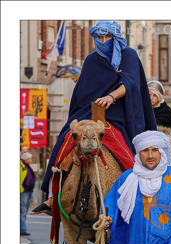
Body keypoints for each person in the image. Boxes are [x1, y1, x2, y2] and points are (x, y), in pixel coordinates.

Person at [31, 20, 156, 215]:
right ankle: (52, 196)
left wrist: (111, 96)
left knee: (127, 148)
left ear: (115, 37)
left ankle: (141, 192)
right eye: (100, 37)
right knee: (64, 139)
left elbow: (131, 83)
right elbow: (83, 91)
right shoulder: (91, 59)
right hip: (89, 112)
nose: (104, 41)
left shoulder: (128, 54)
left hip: (118, 115)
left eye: (108, 37)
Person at [20, 153, 36, 236]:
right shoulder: (21, 165)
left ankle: (22, 229)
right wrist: (21, 189)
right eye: (29, 159)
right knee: (22, 211)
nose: (31, 160)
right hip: (24, 191)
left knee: (25, 211)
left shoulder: (27, 166)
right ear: (26, 159)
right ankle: (23, 230)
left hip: (29, 191)